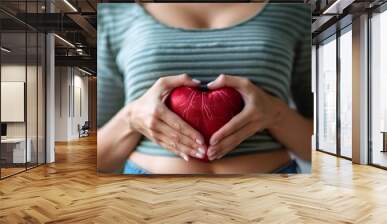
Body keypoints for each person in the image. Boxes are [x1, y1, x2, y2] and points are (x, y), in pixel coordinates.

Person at [97, 2, 313, 174]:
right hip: (148, 196)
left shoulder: (294, 12)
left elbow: (323, 147)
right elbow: (97, 158)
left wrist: (275, 113)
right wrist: (131, 118)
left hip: (270, 194)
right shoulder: (115, 15)